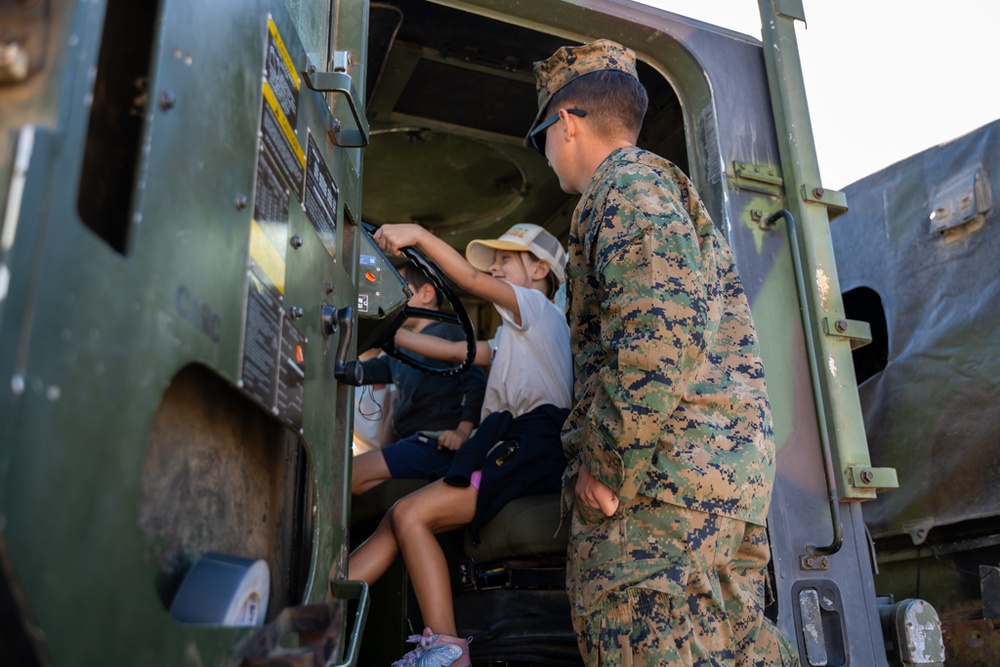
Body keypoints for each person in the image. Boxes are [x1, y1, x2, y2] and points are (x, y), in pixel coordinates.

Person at [526, 39, 800, 666]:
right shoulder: (655, 187)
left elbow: (658, 336)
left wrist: (605, 462)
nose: (544, 154)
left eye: (540, 134)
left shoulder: (622, 185)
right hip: (715, 485)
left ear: (566, 122)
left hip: (660, 494)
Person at [350, 222, 573, 667]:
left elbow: (469, 282)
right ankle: (319, 605)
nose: (494, 266)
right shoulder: (519, 332)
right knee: (399, 516)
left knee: (412, 513)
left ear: (540, 269)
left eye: (506, 258)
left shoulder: (537, 310)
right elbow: (457, 354)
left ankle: (447, 649)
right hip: (509, 441)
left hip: (532, 441)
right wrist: (384, 334)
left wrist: (417, 234)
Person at [352, 264, 487, 495]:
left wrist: (462, 432)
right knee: (360, 485)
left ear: (426, 294)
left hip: (436, 442)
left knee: (351, 474)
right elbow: (363, 371)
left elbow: (476, 382)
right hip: (410, 443)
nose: (390, 299)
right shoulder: (397, 352)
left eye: (400, 290)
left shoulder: (449, 335)